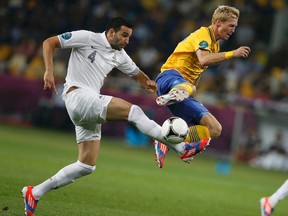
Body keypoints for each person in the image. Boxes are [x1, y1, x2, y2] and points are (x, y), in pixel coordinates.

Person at [21, 17, 210, 216]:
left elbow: (137, 74)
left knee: (86, 165)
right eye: (124, 35)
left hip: (86, 107)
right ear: (111, 32)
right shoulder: (87, 37)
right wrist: (49, 72)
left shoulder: (120, 55)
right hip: (77, 96)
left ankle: (35, 192)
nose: (127, 40)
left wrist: (148, 84)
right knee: (134, 112)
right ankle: (180, 147)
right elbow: (49, 43)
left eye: (129, 36)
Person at [154, 5, 251, 168]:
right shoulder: (202, 34)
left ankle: (167, 142)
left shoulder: (215, 46)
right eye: (231, 26)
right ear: (218, 22)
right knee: (189, 87)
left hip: (184, 89)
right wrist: (232, 54)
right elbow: (204, 60)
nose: (233, 30)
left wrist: (191, 97)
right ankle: (176, 93)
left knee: (215, 129)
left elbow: (198, 71)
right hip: (169, 77)